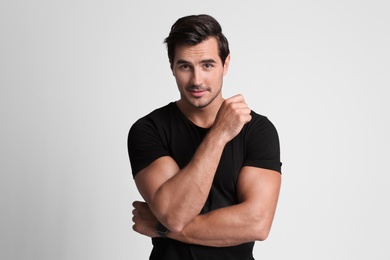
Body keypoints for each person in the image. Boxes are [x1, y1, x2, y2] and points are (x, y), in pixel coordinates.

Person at [128, 14, 282, 260]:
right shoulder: (148, 130)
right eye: (185, 66)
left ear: (226, 64)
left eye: (207, 65)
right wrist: (219, 134)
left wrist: (161, 228)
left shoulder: (258, 130)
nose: (196, 80)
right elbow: (174, 215)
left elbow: (257, 224)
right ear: (172, 67)